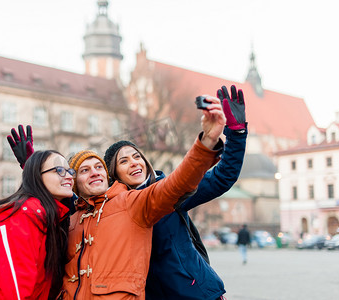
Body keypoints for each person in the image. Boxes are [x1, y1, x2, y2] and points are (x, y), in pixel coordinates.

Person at [8, 94, 225, 299]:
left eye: (98, 167)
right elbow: (46, 204)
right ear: (74, 183)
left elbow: (176, 184)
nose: (94, 172)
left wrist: (206, 142)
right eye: (84, 170)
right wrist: (32, 167)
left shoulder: (132, 203)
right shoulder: (71, 218)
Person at [103, 85, 247, 300]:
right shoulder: (113, 208)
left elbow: (222, 176)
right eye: (123, 161)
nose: (134, 163)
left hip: (196, 293)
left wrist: (236, 133)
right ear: (114, 175)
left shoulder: (169, 191)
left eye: (136, 156)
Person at [0, 150, 75, 300]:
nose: (69, 176)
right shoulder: (22, 216)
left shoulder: (47, 217)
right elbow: (15, 288)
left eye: (69, 170)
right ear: (37, 176)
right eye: (59, 170)